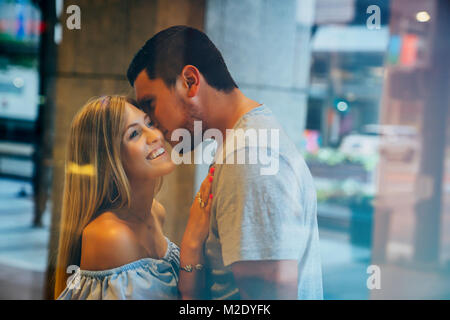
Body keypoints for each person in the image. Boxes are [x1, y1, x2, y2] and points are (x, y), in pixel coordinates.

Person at [127, 25, 323, 299]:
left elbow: (269, 295)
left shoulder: (248, 155)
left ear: (190, 82)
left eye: (150, 104)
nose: (154, 127)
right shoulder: (245, 144)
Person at [54, 95, 214, 299]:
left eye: (149, 123)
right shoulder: (111, 236)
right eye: (135, 133)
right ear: (109, 160)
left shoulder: (155, 211)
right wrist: (192, 241)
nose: (155, 135)